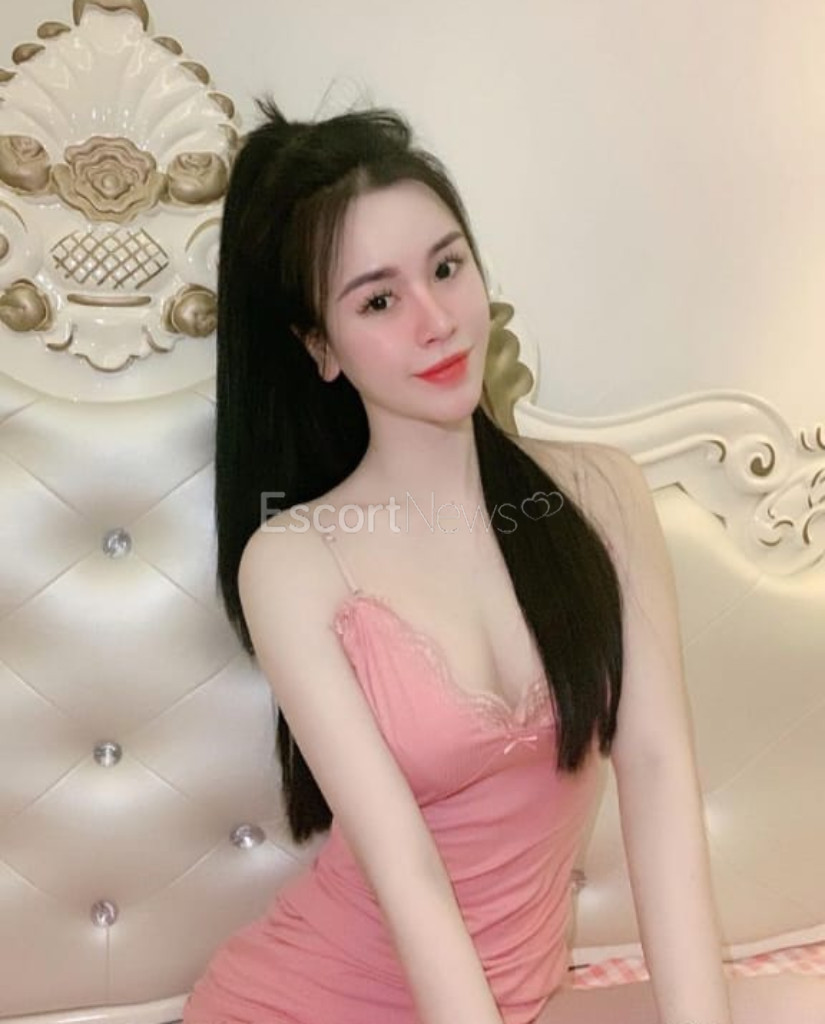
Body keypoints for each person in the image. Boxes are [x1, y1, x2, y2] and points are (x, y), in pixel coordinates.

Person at [183, 97, 825, 1024]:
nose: (436, 320)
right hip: (314, 1003)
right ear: (320, 346)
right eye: (378, 300)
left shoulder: (599, 494)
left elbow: (653, 773)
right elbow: (407, 873)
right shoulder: (292, 563)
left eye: (446, 267)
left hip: (518, 1003)